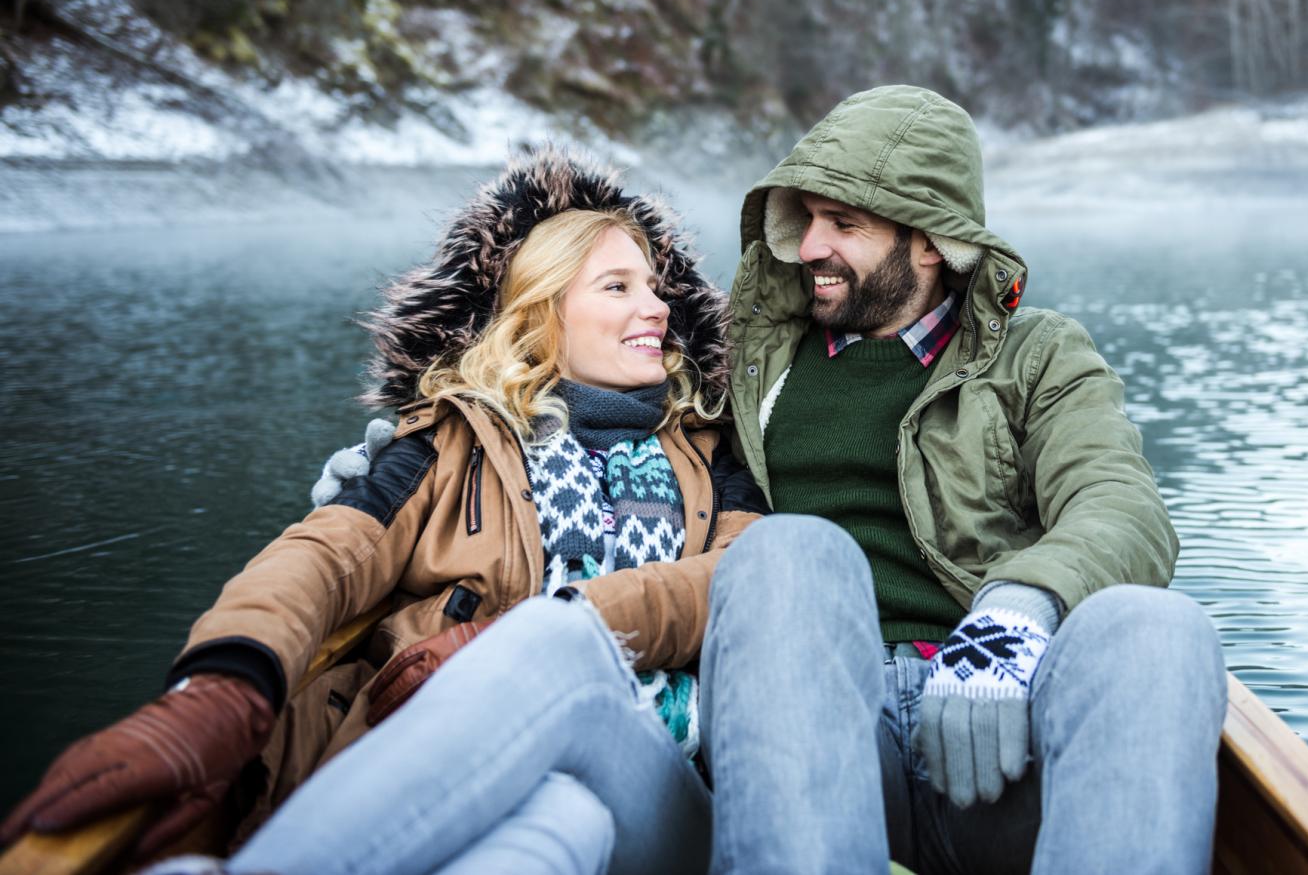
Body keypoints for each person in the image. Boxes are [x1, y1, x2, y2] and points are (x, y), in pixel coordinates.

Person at [0, 148, 765, 875]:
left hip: (669, 784)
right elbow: (325, 555)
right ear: (542, 311)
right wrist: (228, 677)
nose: (657, 307)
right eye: (618, 286)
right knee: (563, 818)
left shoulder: (713, 452)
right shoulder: (451, 439)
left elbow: (734, 579)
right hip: (480, 770)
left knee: (564, 692)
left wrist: (526, 638)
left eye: (655, 285)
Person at [695, 84, 1229, 874]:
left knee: (1162, 629)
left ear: (933, 243)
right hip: (817, 727)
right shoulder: (746, 352)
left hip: (1000, 710)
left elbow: (1120, 504)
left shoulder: (1038, 354)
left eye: (844, 224)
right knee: (788, 552)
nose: (809, 246)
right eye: (805, 219)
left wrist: (1018, 608)